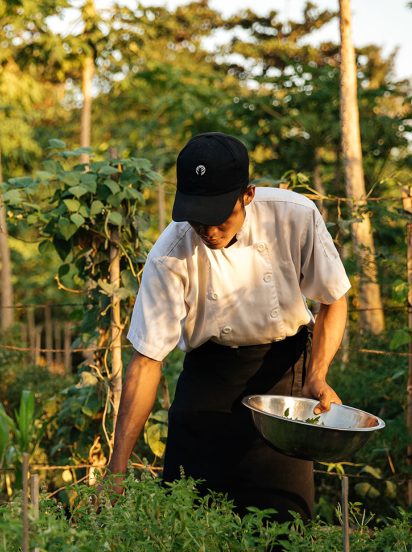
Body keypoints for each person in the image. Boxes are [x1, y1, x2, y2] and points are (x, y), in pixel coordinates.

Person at [106, 132, 351, 522]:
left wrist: (317, 375)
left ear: (247, 195)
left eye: (219, 216)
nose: (208, 230)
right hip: (210, 377)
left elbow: (333, 297)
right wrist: (116, 470)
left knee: (283, 522)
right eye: (197, 217)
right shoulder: (170, 255)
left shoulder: (294, 217)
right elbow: (147, 360)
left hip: (283, 375)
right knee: (187, 515)